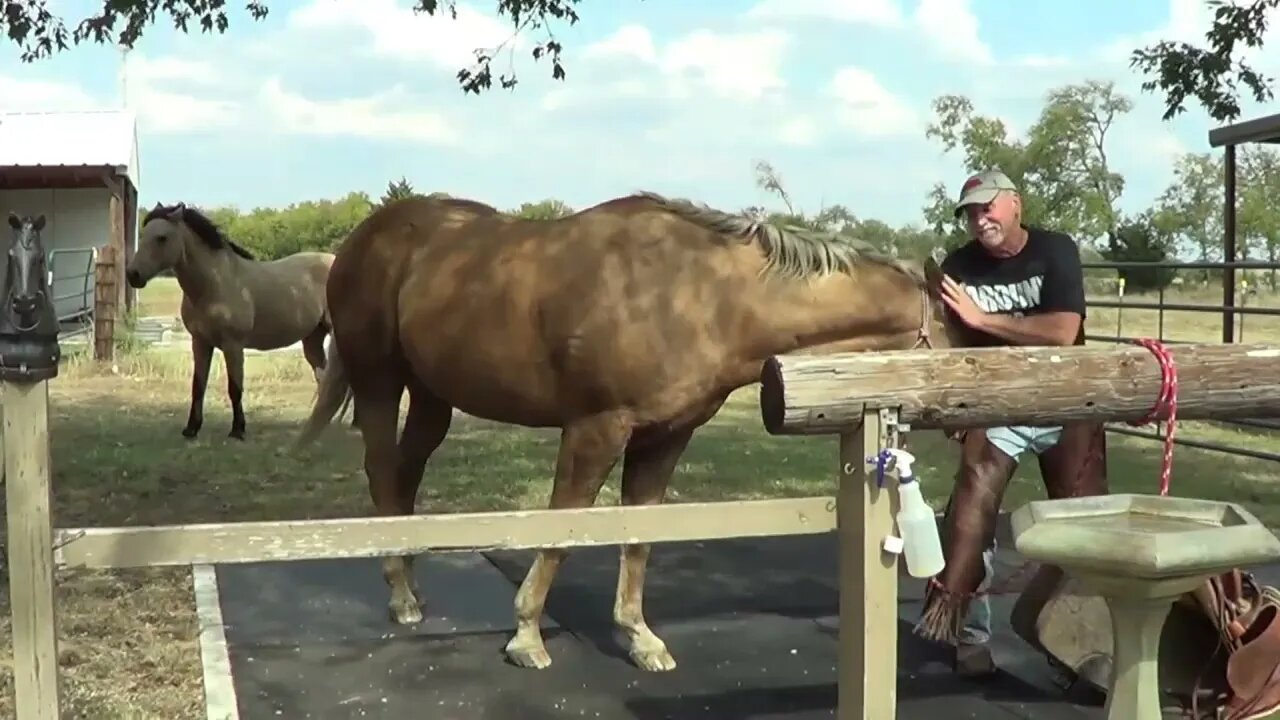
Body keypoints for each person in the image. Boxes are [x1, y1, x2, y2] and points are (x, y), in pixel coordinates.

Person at [917, 169, 1103, 678]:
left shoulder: (1054, 250)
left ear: (1014, 204)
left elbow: (1064, 332)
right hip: (1000, 406)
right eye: (971, 213)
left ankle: (1083, 650)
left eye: (988, 208)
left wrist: (985, 320)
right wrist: (956, 406)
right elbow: (948, 342)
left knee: (1085, 526)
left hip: (1067, 403)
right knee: (971, 512)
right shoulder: (958, 266)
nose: (980, 220)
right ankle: (969, 633)